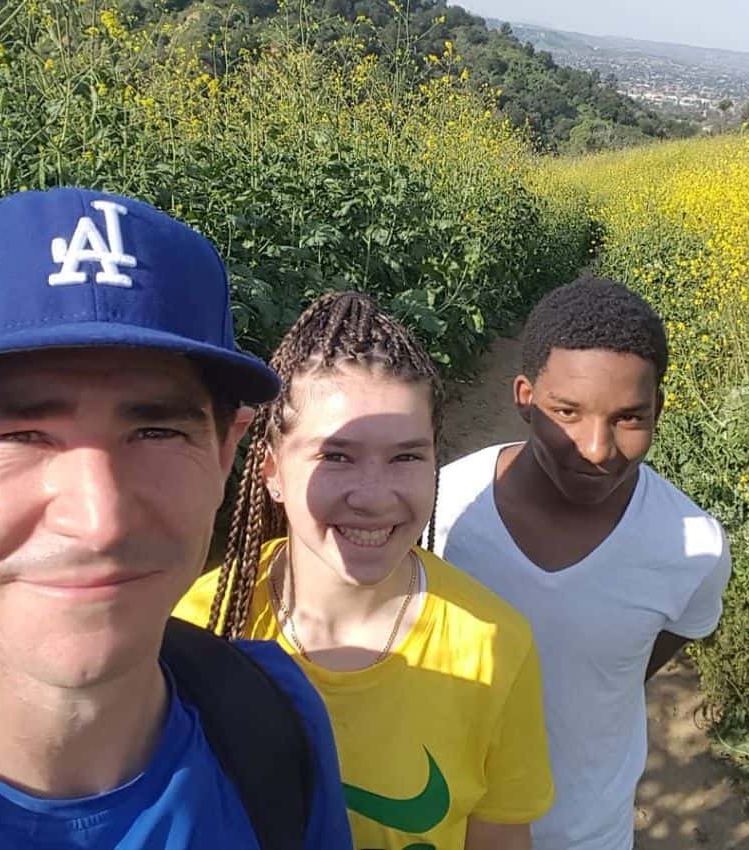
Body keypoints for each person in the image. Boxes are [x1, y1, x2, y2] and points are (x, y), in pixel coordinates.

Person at [0, 187, 353, 849]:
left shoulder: (270, 723)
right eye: (20, 435)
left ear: (227, 455)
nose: (100, 519)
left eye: (158, 433)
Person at [174, 292, 554, 850]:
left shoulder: (495, 644)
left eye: (406, 456)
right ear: (272, 470)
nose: (374, 498)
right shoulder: (199, 627)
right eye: (336, 456)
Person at [429, 277, 732, 850]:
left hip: (586, 831)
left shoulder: (691, 546)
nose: (595, 447)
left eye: (629, 418)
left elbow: (633, 662)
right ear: (524, 398)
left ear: (658, 409)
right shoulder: (441, 511)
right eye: (566, 411)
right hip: (443, 825)